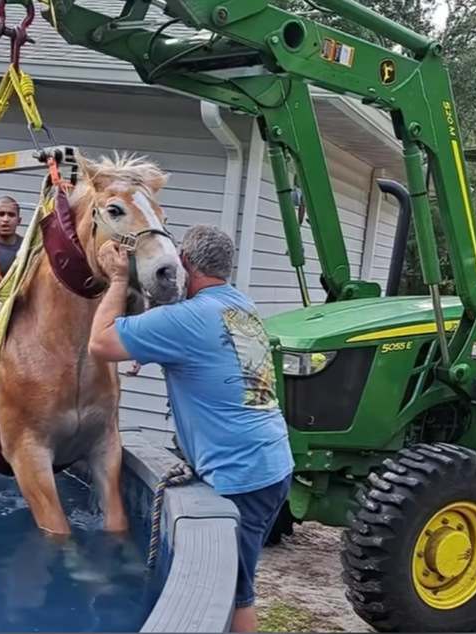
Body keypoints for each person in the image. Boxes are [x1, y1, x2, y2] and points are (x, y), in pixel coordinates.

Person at [87, 223, 295, 634]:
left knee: (235, 595)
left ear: (184, 263)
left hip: (241, 476)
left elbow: (101, 344)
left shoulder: (186, 319)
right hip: (272, 463)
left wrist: (117, 279)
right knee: (237, 582)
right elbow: (214, 359)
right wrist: (152, 352)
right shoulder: (239, 307)